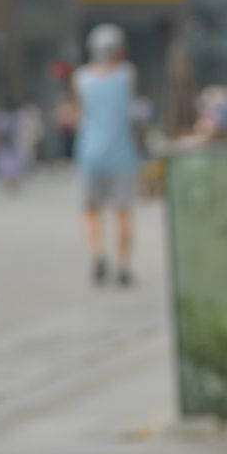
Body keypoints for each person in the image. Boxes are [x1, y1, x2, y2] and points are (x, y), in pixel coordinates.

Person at [72, 22, 143, 286]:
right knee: (123, 212)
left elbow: (80, 113)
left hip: (89, 152)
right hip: (123, 153)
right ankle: (123, 266)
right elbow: (133, 112)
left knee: (91, 210)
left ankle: (98, 253)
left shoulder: (81, 78)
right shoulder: (127, 74)